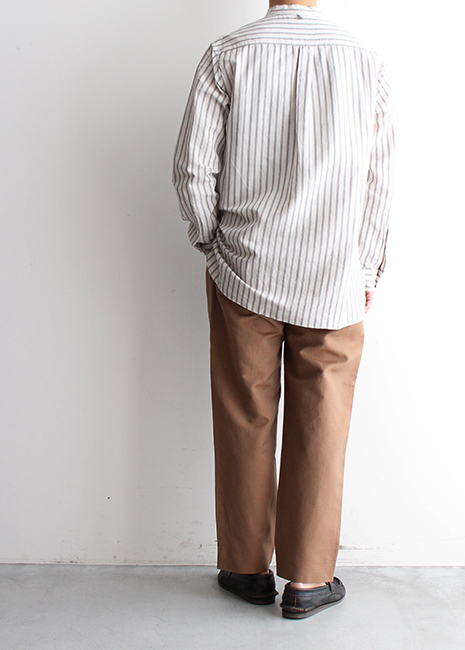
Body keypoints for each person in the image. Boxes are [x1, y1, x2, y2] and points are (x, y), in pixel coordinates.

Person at [172, 0, 395, 619]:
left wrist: (212, 245)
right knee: (323, 422)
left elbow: (192, 170)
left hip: (244, 269)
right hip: (333, 277)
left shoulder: (227, 54)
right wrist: (366, 269)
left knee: (244, 415)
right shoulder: (365, 61)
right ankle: (308, 583)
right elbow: (378, 181)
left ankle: (246, 570)